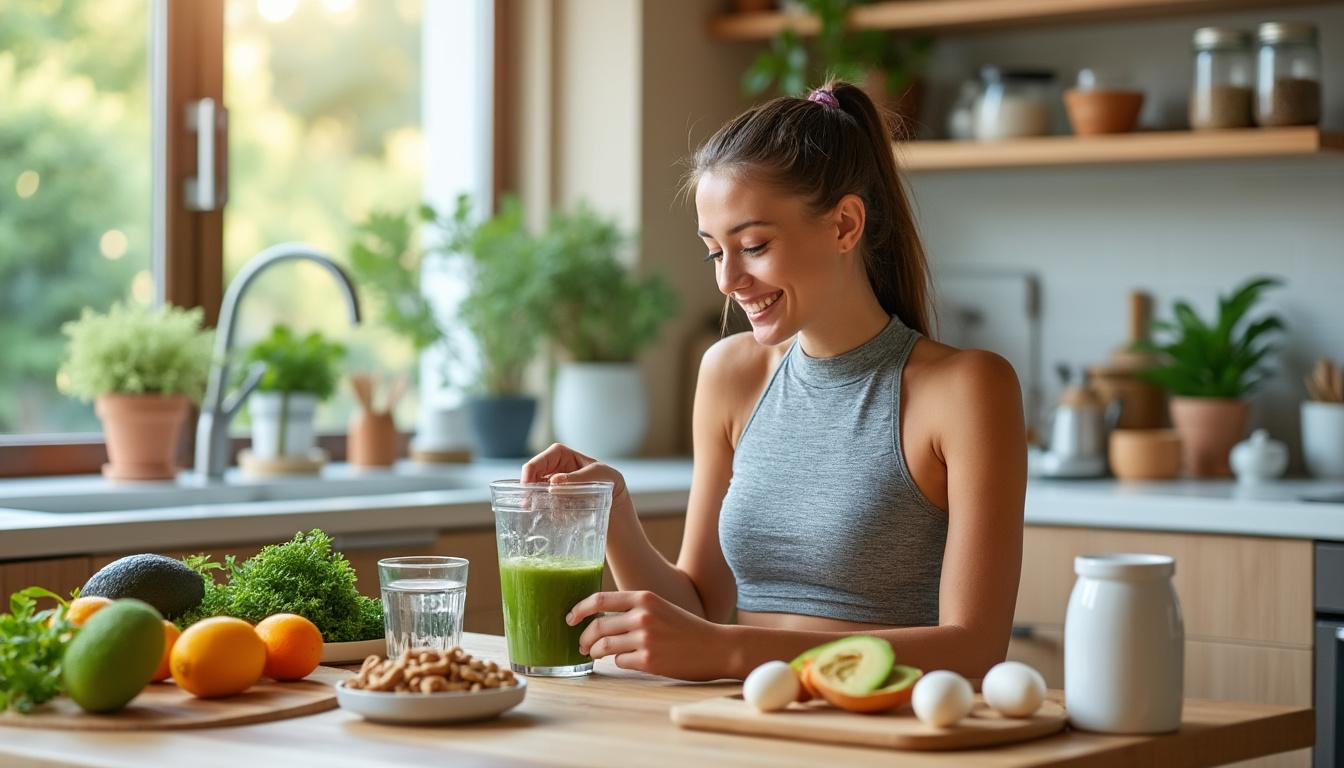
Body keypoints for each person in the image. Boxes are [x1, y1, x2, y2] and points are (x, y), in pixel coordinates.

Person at [520, 81, 1026, 682]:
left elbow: (975, 648)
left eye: (754, 245)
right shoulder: (730, 375)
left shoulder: (966, 389)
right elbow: (701, 613)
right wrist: (613, 512)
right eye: (715, 252)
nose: (729, 279)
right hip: (754, 720)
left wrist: (733, 652)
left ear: (844, 225)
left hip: (886, 735)